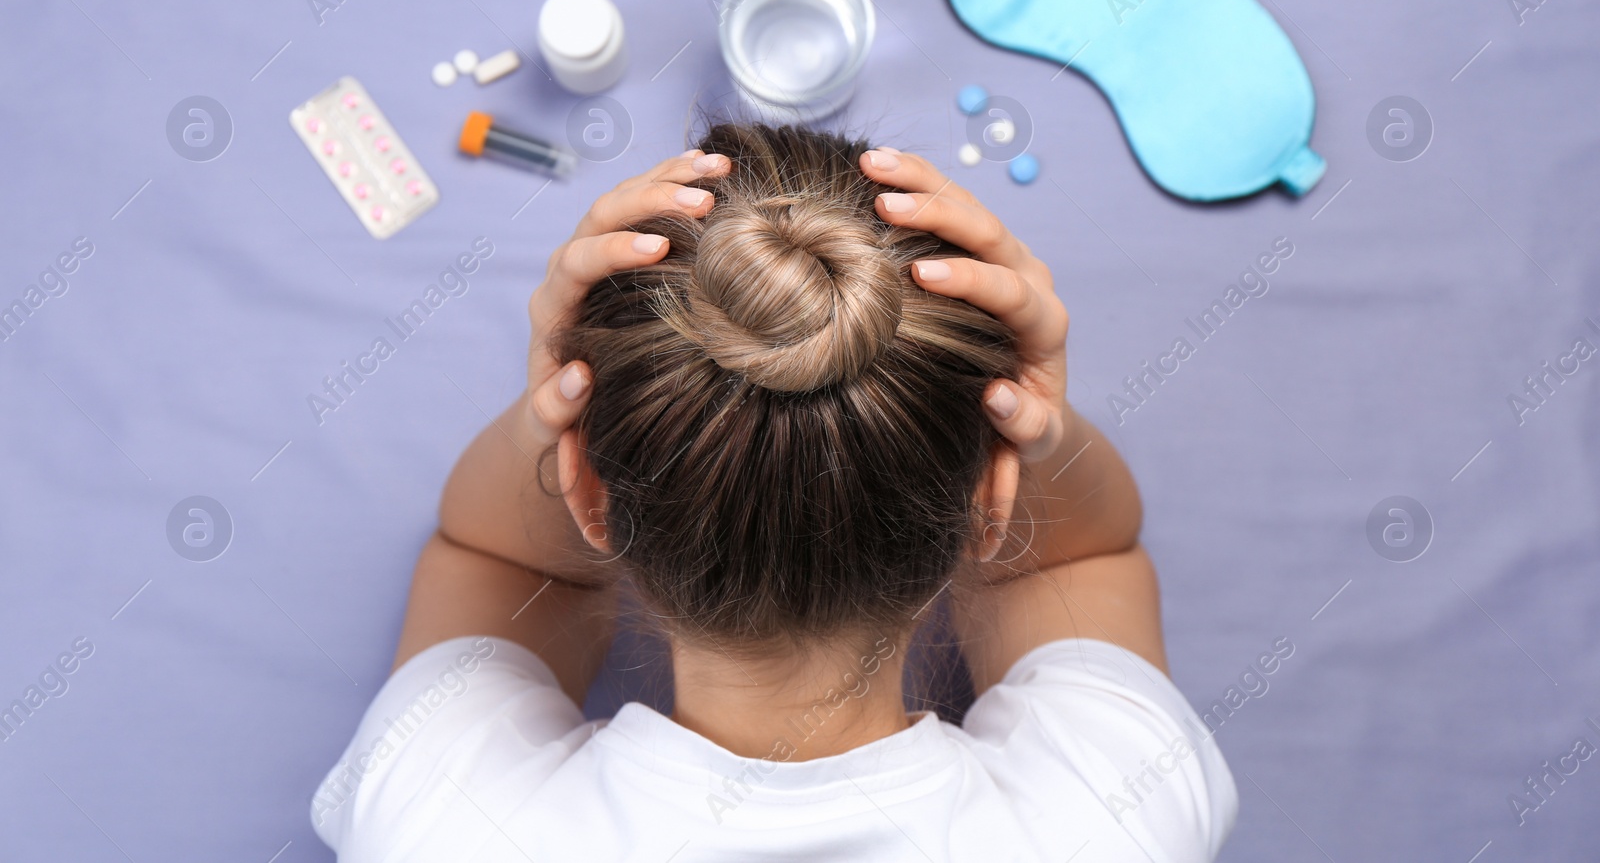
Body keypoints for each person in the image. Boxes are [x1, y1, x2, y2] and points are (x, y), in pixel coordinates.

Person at [310, 123, 1237, 861]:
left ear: (585, 490)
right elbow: (1083, 557)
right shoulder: (1119, 816)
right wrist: (1036, 418)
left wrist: (552, 405)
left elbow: (489, 555)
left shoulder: (432, 818)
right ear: (990, 503)